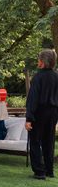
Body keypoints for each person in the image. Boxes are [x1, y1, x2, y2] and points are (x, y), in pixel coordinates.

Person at [26, 49, 58, 179]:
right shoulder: (56, 76)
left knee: (35, 140)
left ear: (42, 62)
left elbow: (32, 99)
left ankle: (39, 171)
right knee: (49, 141)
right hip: (53, 112)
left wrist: (29, 118)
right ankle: (49, 170)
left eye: (39, 59)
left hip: (39, 112)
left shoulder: (38, 77)